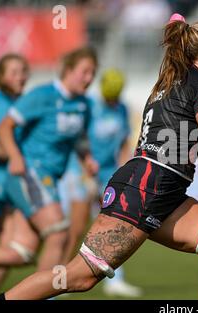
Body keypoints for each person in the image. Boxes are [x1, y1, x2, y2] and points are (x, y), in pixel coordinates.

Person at [0, 13, 198, 300]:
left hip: (158, 188)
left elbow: (186, 145)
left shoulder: (169, 83)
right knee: (79, 276)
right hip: (148, 188)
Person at [0, 48, 98, 277]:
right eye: (84, 72)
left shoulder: (84, 105)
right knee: (59, 233)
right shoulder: (42, 95)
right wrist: (16, 157)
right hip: (28, 173)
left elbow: (79, 140)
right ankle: (45, 292)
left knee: (21, 253)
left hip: (49, 180)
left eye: (93, 73)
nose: (89, 79)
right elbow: (4, 127)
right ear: (68, 70)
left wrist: (87, 158)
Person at [59, 68, 142, 297]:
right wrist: (85, 167)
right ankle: (58, 280)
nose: (112, 100)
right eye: (110, 96)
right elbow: (77, 140)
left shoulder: (123, 109)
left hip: (109, 174)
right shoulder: (90, 107)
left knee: (115, 224)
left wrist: (125, 168)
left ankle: (116, 280)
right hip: (83, 172)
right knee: (76, 229)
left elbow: (124, 140)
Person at [0, 54, 38, 298]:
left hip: (7, 189)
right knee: (13, 253)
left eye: (23, 71)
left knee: (15, 253)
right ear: (2, 76)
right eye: (14, 72)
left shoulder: (19, 103)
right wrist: (20, 156)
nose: (21, 76)